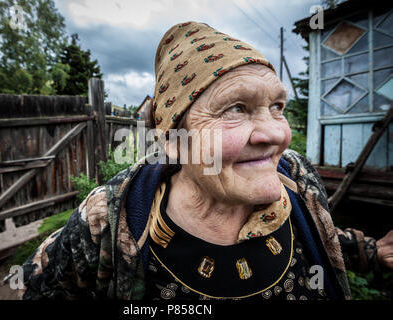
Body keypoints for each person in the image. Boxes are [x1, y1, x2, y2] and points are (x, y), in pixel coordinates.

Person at [21, 21, 393, 300]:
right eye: (236, 109)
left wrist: (375, 252)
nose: (277, 134)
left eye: (277, 106)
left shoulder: (295, 174)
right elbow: (39, 288)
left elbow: (320, 232)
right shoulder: (110, 216)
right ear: (173, 141)